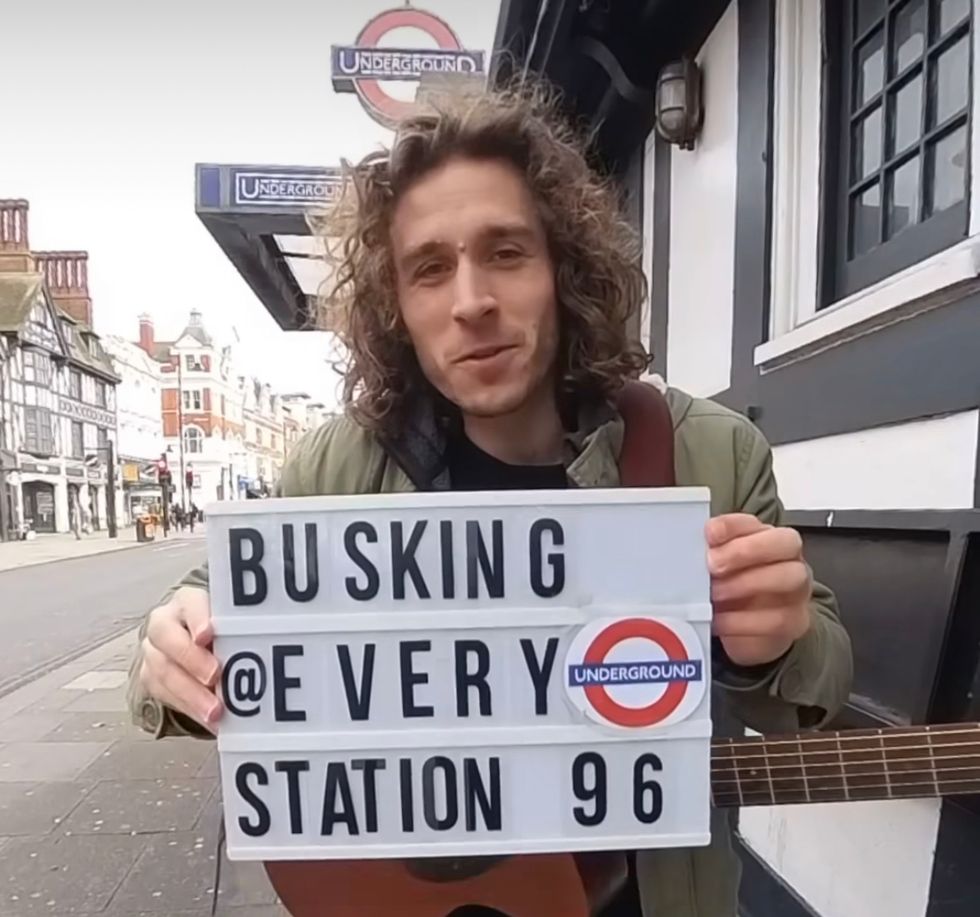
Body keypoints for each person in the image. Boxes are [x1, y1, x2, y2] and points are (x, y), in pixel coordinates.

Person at [127, 82, 852, 917]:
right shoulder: (337, 467)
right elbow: (193, 629)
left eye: (506, 252)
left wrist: (779, 637)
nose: (472, 301)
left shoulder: (710, 454)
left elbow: (817, 682)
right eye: (430, 269)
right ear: (397, 308)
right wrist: (168, 653)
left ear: (564, 271)